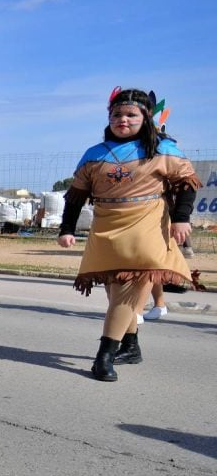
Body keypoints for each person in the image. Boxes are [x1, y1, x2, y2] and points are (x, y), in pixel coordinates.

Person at [57, 88, 197, 381]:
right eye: (117, 114)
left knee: (127, 291)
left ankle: (104, 355)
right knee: (115, 294)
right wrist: (66, 228)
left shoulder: (163, 149)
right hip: (106, 228)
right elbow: (76, 196)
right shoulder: (93, 155)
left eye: (131, 114)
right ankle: (131, 346)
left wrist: (181, 219)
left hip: (146, 226)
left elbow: (187, 183)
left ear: (145, 118)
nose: (123, 119)